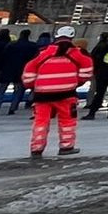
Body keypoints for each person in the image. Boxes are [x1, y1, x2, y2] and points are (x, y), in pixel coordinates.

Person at [23, 26, 93, 159]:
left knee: (40, 122)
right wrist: (76, 82)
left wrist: (33, 86)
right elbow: (87, 70)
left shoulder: (43, 52)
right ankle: (66, 147)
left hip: (42, 95)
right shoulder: (78, 54)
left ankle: (36, 149)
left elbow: (29, 70)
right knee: (67, 121)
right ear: (72, 37)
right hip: (66, 94)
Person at [0, 29, 39, 115]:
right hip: (21, 70)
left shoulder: (11, 45)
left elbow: (4, 56)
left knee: (1, 90)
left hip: (8, 69)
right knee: (17, 90)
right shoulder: (32, 46)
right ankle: (12, 108)